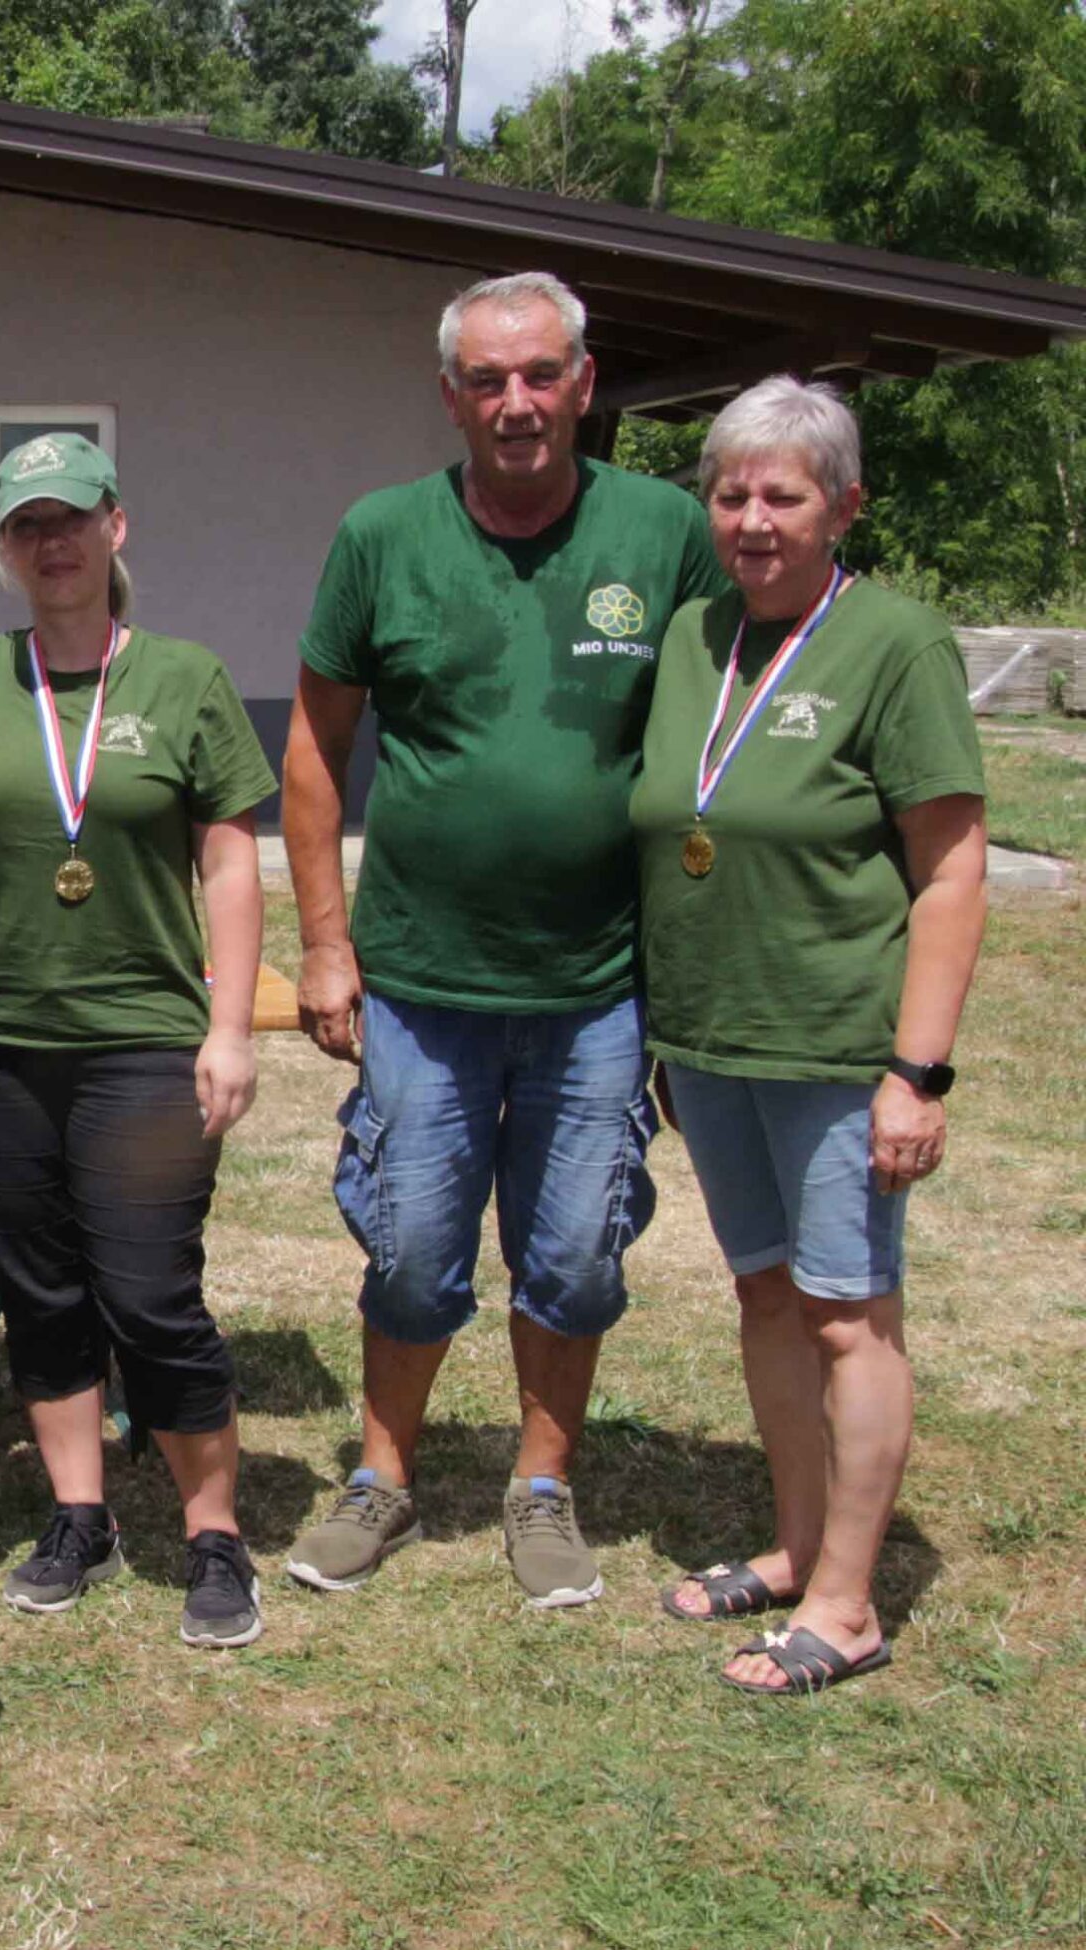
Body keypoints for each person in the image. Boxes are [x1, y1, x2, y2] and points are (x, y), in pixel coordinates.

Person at [281, 271, 730, 1608]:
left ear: (585, 381)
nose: (518, 402)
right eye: (490, 380)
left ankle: (541, 1488)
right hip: (421, 978)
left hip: (600, 984)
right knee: (412, 1244)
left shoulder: (666, 533)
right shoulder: (382, 534)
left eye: (542, 374)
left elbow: (723, 732)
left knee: (578, 1248)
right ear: (452, 396)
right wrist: (322, 942)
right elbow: (314, 743)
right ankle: (384, 1476)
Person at [632, 377, 986, 1694]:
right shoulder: (693, 636)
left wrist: (917, 1070)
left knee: (851, 1315)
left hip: (841, 1051)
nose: (754, 518)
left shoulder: (898, 643)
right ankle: (792, 1545)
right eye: (730, 492)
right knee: (768, 1293)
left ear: (844, 504)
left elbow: (950, 870)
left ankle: (846, 1604)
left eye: (784, 493)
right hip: (715, 1045)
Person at [0, 434, 277, 1648]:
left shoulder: (184, 677)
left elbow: (230, 860)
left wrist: (229, 1027)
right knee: (39, 1289)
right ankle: (79, 1514)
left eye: (72, 518)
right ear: (2, 551)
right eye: (28, 526)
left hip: (143, 1040)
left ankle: (214, 1533)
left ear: (116, 526)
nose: (53, 542)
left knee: (150, 1289)